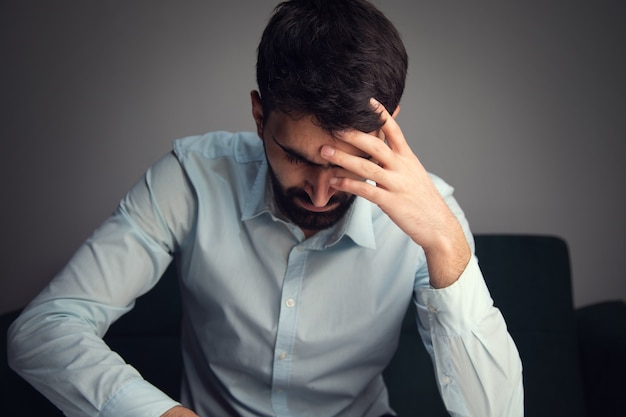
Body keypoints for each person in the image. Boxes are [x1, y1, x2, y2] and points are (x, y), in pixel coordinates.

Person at [7, 0, 524, 416]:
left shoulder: (431, 217)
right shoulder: (192, 177)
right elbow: (43, 331)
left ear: (388, 126)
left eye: (350, 162)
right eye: (297, 157)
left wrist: (445, 241)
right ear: (259, 116)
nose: (321, 194)